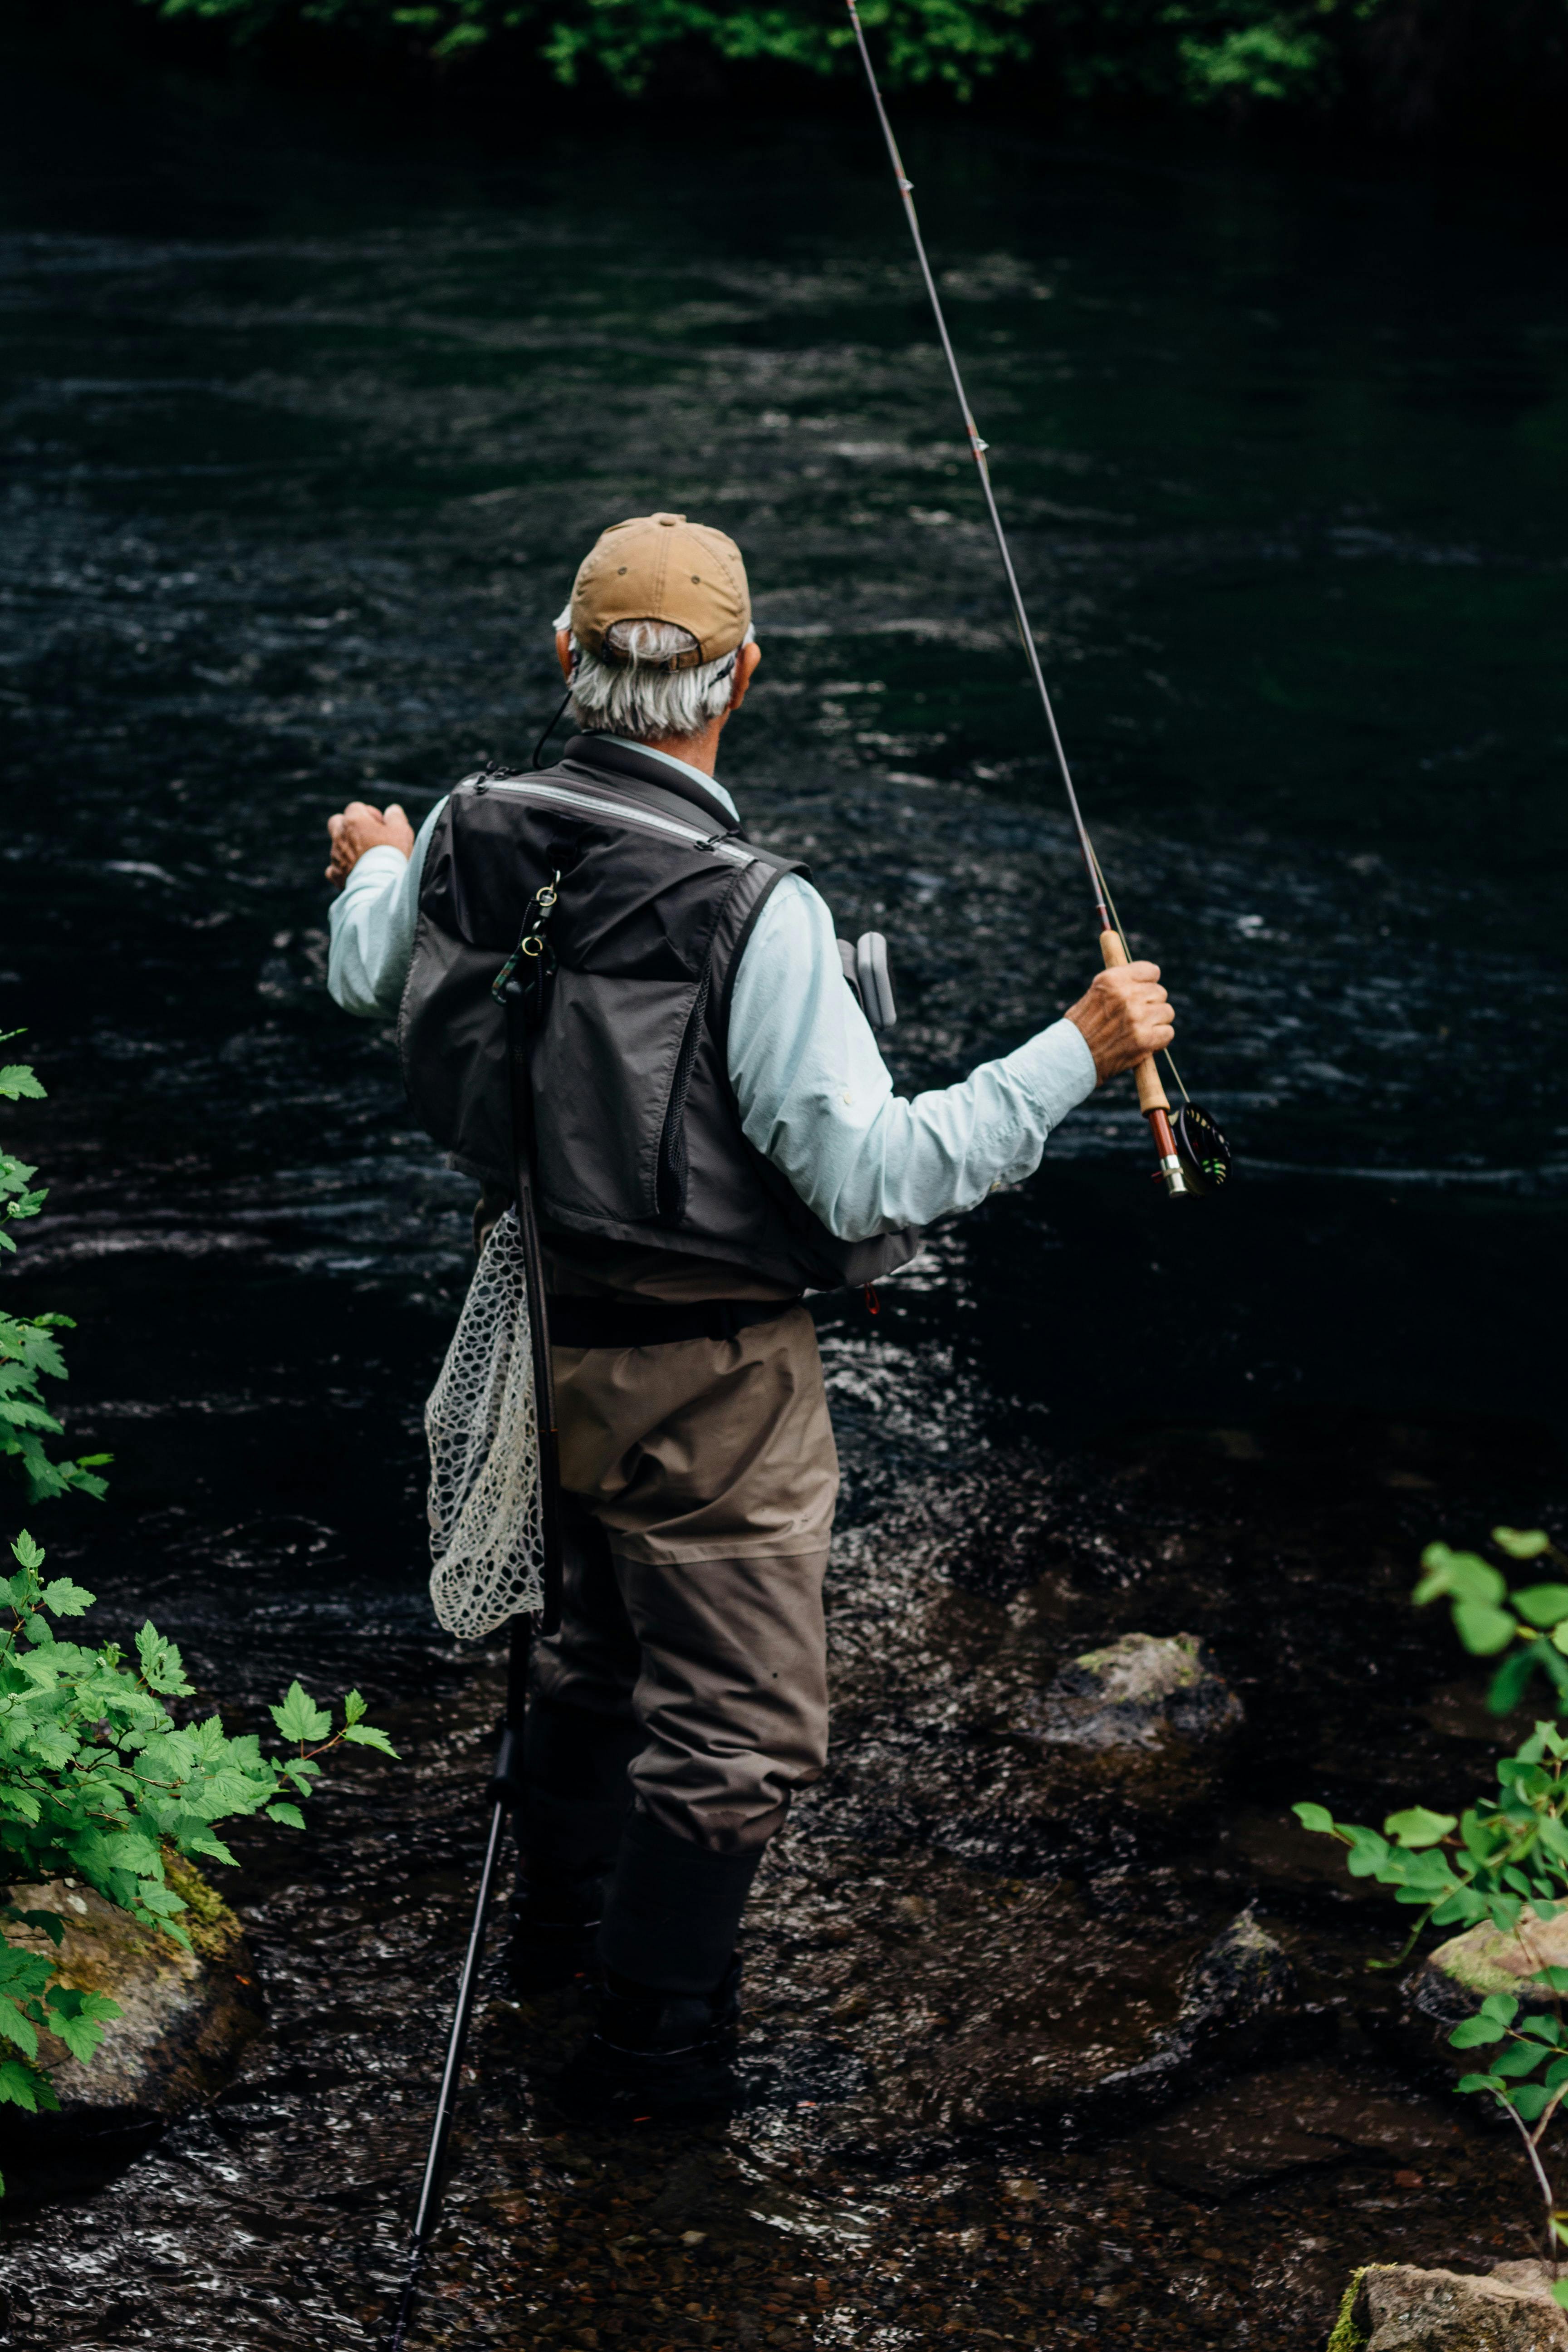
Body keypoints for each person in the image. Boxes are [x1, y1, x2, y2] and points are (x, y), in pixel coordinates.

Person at [323, 510, 1173, 2117]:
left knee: (583, 1662)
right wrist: (1081, 1043)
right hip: (713, 1387)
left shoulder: (463, 828)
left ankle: (556, 1967)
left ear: (568, 660)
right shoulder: (753, 911)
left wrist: (375, 864)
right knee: (737, 1735)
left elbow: (374, 970)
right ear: (745, 676)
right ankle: (650, 2071)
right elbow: (873, 1180)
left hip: (540, 1333)